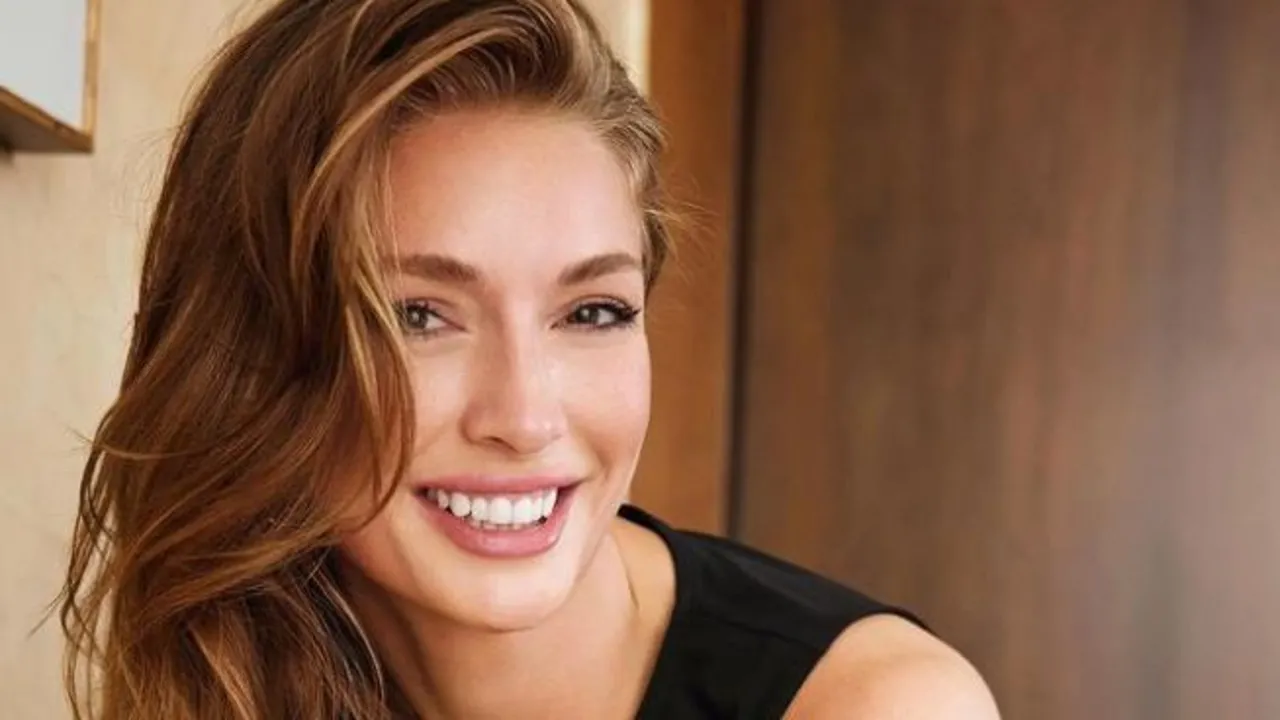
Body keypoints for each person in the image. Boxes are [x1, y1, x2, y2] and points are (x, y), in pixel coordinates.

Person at [58, 1, 1000, 718]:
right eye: (418, 316)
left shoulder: (882, 707)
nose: (525, 417)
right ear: (252, 354)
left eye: (591, 311)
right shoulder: (241, 654)